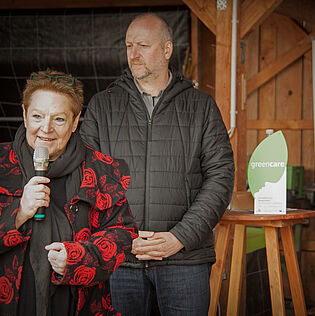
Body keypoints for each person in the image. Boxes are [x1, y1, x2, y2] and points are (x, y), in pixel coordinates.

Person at [79, 13, 235, 316]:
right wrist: (121, 239)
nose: (133, 55)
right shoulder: (103, 105)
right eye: (128, 46)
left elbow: (221, 176)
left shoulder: (200, 106)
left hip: (184, 260)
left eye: (143, 46)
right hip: (120, 261)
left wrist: (180, 237)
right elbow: (88, 179)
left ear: (166, 50)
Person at [0, 69, 138, 316]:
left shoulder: (100, 170)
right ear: (24, 114)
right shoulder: (2, 164)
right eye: (37, 116)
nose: (46, 128)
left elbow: (122, 235)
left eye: (59, 119)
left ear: (75, 122)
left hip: (80, 306)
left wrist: (79, 259)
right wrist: (18, 214)